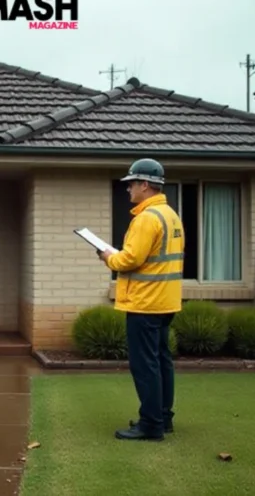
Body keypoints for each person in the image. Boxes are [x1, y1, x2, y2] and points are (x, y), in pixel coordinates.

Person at [98, 158, 185, 442]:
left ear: (145, 185)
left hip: (145, 303)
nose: (128, 190)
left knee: (144, 365)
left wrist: (108, 256)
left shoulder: (146, 218)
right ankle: (163, 417)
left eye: (131, 184)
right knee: (161, 361)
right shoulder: (170, 215)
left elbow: (130, 259)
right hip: (165, 301)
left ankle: (151, 425)